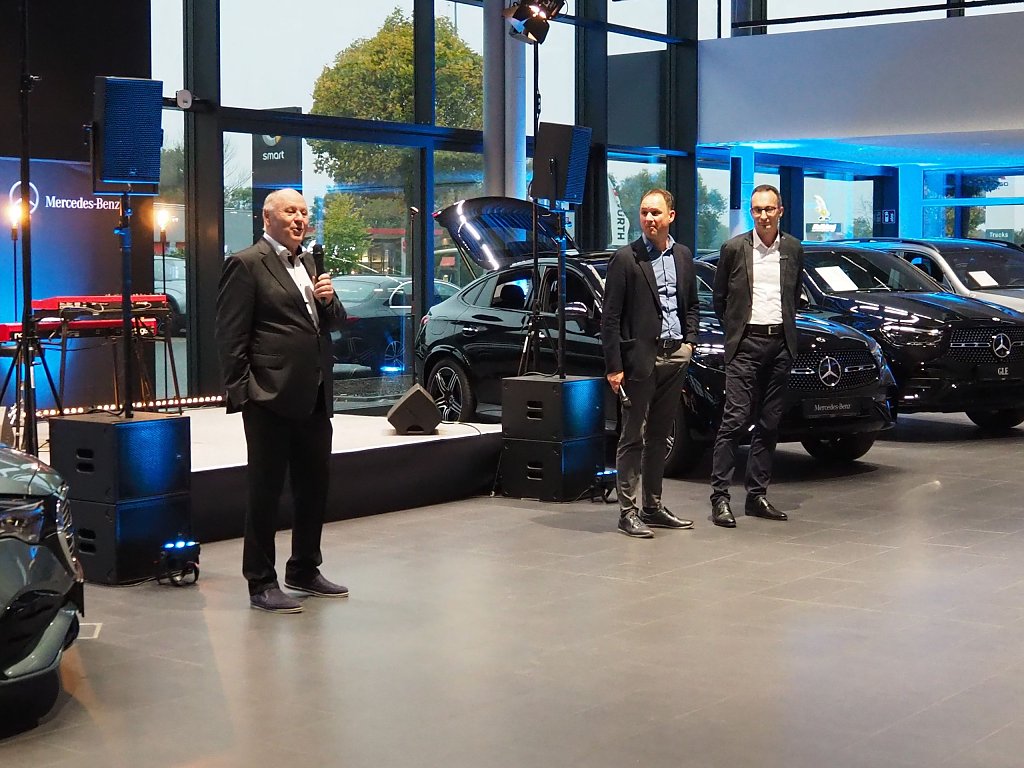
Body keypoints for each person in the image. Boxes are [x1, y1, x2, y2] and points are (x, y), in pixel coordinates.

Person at [216, 188, 348, 613]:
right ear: (267, 218)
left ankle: (304, 569)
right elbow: (230, 336)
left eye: (304, 212)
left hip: (314, 394)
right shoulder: (246, 264)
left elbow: (332, 324)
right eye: (290, 211)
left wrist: (328, 299)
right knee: (266, 492)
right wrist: (244, 395)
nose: (299, 219)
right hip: (268, 396)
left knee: (314, 487)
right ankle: (261, 582)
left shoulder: (309, 262)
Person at [601, 188, 700, 538]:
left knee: (660, 435)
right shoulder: (626, 258)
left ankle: (653, 507)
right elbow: (610, 318)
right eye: (644, 212)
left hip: (676, 355)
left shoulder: (683, 255)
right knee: (633, 436)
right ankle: (627, 512)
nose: (649, 219)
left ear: (670, 216)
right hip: (640, 359)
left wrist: (690, 342)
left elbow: (692, 303)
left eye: (656, 213)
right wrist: (614, 366)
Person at [709, 184, 804, 528]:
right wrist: (737, 332)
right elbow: (719, 299)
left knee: (769, 423)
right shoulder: (734, 248)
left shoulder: (793, 248)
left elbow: (794, 295)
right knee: (734, 420)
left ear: (781, 211)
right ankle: (720, 498)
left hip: (780, 345)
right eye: (757, 210)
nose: (763, 215)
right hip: (745, 344)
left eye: (769, 209)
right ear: (752, 213)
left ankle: (756, 496)